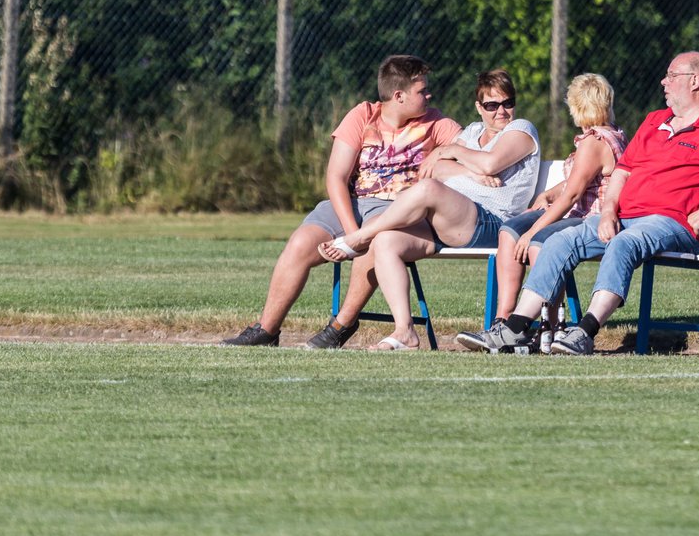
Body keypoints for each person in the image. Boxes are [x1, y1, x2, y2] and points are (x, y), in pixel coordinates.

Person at [457, 52, 699, 355]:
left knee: (624, 242)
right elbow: (623, 170)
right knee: (559, 240)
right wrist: (608, 211)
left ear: (695, 82)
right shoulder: (655, 121)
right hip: (625, 216)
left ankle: (585, 332)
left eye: (672, 76)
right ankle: (514, 327)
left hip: (673, 223)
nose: (663, 82)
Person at [222, 55, 461, 347]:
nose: (429, 95)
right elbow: (336, 177)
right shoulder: (363, 115)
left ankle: (340, 326)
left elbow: (474, 151)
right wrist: (351, 233)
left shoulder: (437, 123)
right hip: (351, 203)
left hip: (397, 209)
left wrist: (441, 153)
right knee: (300, 243)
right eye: (422, 90)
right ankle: (266, 330)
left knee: (377, 238)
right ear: (398, 96)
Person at [318, 69, 540, 350]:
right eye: (491, 105)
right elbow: (435, 168)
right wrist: (457, 164)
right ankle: (404, 331)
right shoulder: (472, 132)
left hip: (492, 222)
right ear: (478, 107)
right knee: (386, 241)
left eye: (508, 103)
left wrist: (451, 153)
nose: (501, 111)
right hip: (449, 220)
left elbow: (489, 165)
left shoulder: (521, 129)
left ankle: (358, 237)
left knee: (426, 190)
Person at [456, 73, 625, 342]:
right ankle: (503, 319)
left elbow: (572, 197)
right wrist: (547, 194)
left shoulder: (595, 141)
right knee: (509, 231)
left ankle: (549, 324)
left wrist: (533, 229)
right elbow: (573, 183)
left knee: (537, 241)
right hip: (573, 211)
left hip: (587, 218)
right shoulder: (595, 137)